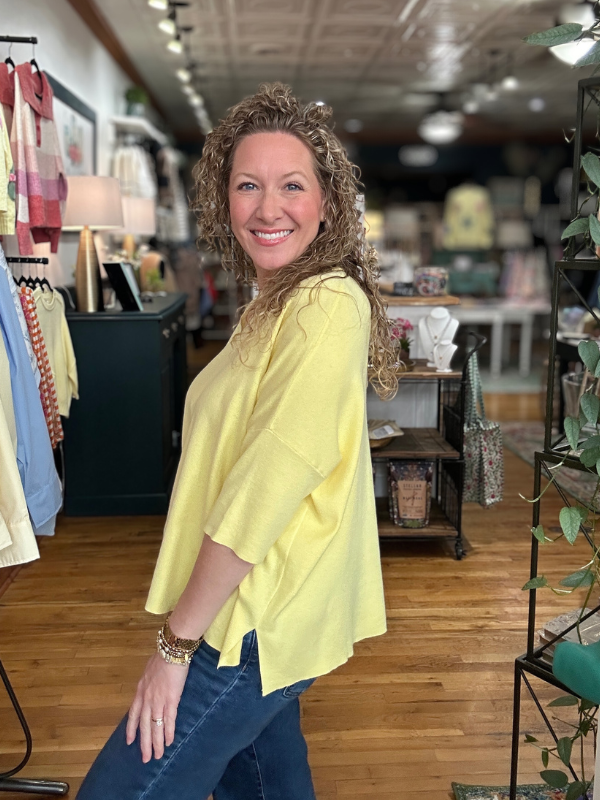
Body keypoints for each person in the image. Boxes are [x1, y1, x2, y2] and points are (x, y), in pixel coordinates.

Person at [76, 82, 398, 800]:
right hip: (247, 605)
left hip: (251, 619)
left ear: (328, 202)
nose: (267, 207)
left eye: (292, 185)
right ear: (225, 201)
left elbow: (266, 485)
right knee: (264, 786)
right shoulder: (273, 304)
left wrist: (175, 645)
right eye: (248, 185)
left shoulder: (325, 305)